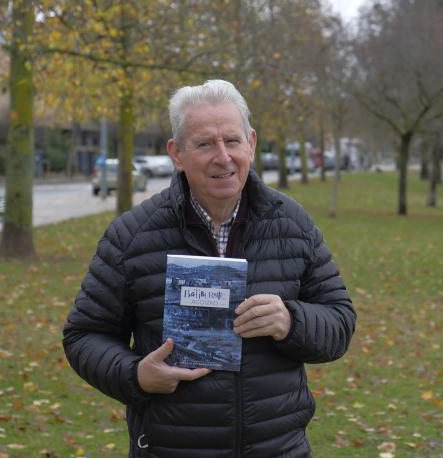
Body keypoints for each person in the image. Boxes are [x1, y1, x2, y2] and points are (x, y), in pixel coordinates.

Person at [62, 80, 356, 457]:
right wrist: (136, 376)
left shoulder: (292, 226)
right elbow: (84, 336)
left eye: (232, 140)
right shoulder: (132, 236)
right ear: (177, 153)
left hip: (277, 448)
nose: (223, 157)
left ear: (250, 143)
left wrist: (291, 321)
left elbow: (340, 321)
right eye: (205, 144)